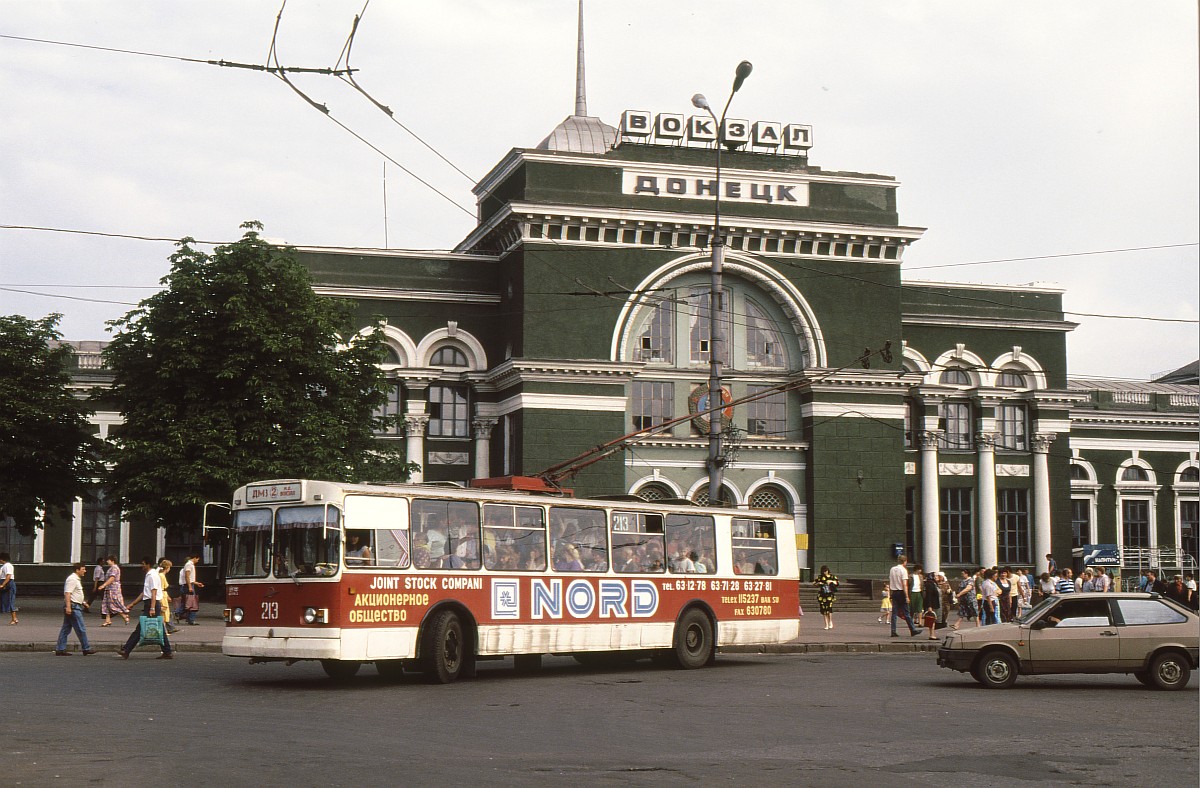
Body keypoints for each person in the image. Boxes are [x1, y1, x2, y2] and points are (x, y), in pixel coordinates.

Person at [117, 557, 173, 660]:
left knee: (141, 627)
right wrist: (132, 604)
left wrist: (152, 608)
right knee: (158, 627)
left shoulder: (152, 575)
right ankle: (167, 651)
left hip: (153, 604)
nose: (141, 565)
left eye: (143, 564)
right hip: (150, 603)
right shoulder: (149, 575)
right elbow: (144, 593)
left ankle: (126, 649)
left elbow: (154, 592)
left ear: (148, 565)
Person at [55, 563, 96, 656]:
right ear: (77, 570)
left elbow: (75, 594)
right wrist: (68, 607)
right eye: (83, 569)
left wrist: (83, 602)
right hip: (73, 607)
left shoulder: (75, 579)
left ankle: (60, 649)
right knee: (81, 628)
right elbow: (68, 593)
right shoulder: (72, 579)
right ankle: (86, 648)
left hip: (74, 605)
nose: (85, 571)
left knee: (66, 628)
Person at [888, 554, 920, 637]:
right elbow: (904, 584)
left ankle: (893, 631)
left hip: (894, 592)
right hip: (902, 593)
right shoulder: (903, 570)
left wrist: (890, 594)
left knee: (894, 613)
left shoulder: (892, 569)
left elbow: (890, 581)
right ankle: (912, 630)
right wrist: (906, 596)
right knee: (906, 613)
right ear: (905, 561)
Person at [99, 556, 129, 626]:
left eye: (108, 560)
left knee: (114, 604)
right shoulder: (111, 568)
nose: (107, 561)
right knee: (107, 604)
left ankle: (124, 615)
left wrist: (103, 585)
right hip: (109, 588)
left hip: (113, 589)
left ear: (112, 561)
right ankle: (107, 620)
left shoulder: (114, 568)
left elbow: (112, 578)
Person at [180, 551, 204, 625]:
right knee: (192, 603)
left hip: (190, 584)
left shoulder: (190, 565)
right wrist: (190, 586)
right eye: (197, 559)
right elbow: (187, 576)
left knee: (188, 602)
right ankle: (182, 614)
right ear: (195, 558)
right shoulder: (189, 565)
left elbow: (190, 578)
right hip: (188, 585)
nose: (197, 561)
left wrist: (196, 583)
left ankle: (188, 618)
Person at [813, 565, 838, 630]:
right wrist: (819, 583)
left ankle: (830, 621)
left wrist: (831, 582)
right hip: (822, 595)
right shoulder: (820, 577)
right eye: (824, 571)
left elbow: (837, 583)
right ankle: (826, 624)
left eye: (826, 571)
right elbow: (814, 583)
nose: (825, 573)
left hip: (829, 595)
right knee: (824, 610)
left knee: (829, 609)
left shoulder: (832, 576)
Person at [159, 560, 180, 635]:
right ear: (167, 567)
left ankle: (166, 630)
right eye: (169, 567)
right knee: (163, 614)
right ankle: (164, 631)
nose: (170, 569)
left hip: (164, 595)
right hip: (162, 595)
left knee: (165, 614)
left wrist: (167, 596)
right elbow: (161, 588)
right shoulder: (161, 576)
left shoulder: (162, 575)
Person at [921, 570, 940, 638]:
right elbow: (928, 595)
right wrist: (929, 606)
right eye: (936, 576)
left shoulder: (933, 583)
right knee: (932, 619)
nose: (937, 577)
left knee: (933, 619)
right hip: (932, 604)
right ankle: (932, 635)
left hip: (934, 603)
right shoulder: (930, 584)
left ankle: (932, 634)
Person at [0, 552, 17, 624]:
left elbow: (8, 576)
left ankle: (14, 618)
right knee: (3, 600)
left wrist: (3, 585)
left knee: (9, 600)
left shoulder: (7, 565)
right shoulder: (3, 566)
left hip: (8, 584)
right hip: (5, 583)